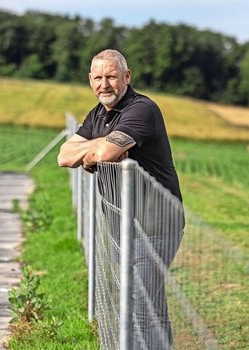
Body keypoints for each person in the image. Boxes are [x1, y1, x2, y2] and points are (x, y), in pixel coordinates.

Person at [57, 49, 183, 349]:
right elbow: (63, 156)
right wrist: (99, 148)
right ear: (90, 80)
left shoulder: (142, 110)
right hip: (123, 227)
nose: (105, 84)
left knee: (140, 308)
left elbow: (102, 155)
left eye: (112, 76)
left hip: (155, 225)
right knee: (149, 306)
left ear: (127, 77)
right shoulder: (97, 114)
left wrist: (91, 154)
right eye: (98, 78)